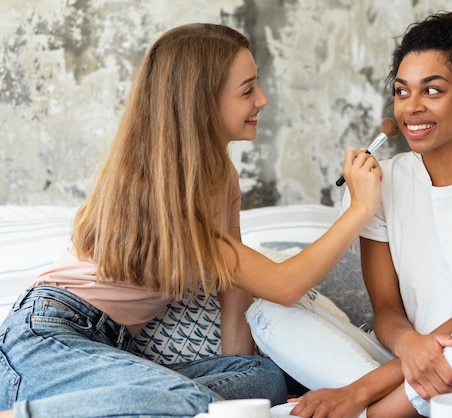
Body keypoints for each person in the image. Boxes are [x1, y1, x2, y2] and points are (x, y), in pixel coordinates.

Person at [0, 23, 382, 418]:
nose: (263, 99)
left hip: (108, 348)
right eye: (247, 90)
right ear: (201, 103)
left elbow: (235, 297)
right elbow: (283, 286)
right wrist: (360, 209)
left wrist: (244, 395)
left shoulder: (222, 176)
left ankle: (115, 405)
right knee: (196, 405)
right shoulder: (161, 191)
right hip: (48, 339)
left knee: (262, 379)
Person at [247, 7, 452, 418]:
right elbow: (387, 310)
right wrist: (409, 344)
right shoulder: (383, 182)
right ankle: (406, 405)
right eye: (402, 91)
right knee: (268, 312)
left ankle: (379, 412)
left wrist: (358, 391)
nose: (411, 107)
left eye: (433, 91)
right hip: (411, 366)